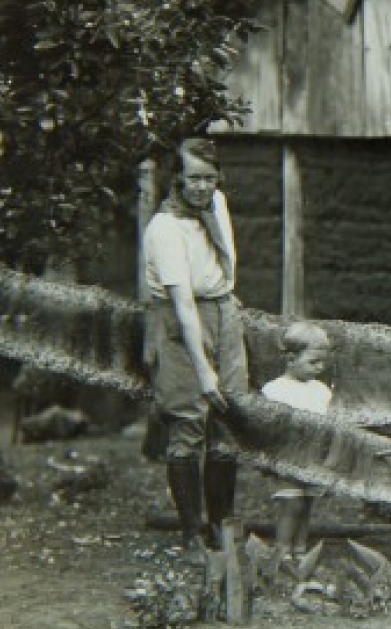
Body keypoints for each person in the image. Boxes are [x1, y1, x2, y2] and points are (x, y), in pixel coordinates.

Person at [143, 137, 247, 555]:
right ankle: (191, 532)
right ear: (177, 179)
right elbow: (183, 302)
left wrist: (228, 313)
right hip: (182, 320)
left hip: (224, 311)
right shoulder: (164, 229)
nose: (202, 187)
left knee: (229, 415)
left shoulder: (217, 204)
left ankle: (222, 527)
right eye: (193, 179)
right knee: (188, 422)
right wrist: (203, 369)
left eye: (209, 177)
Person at [260, 322, 334, 560]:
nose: (319, 367)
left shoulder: (321, 391)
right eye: (313, 362)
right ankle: (281, 551)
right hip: (288, 456)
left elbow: (327, 424)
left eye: (322, 362)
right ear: (291, 358)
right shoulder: (274, 390)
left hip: (313, 457)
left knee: (307, 504)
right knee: (291, 504)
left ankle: (300, 549)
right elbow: (268, 427)